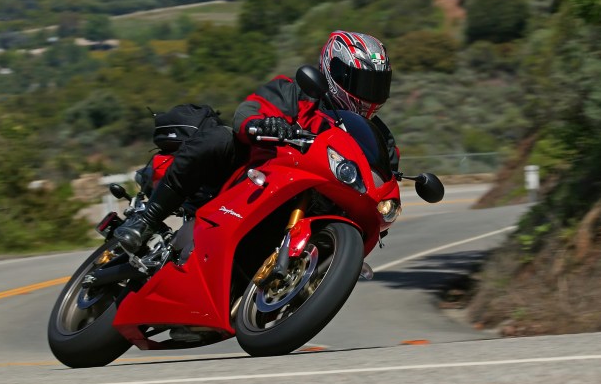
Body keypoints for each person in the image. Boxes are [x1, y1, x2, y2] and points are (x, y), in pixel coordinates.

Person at [113, 30, 399, 254]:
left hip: (317, 199)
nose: (369, 94)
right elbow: (249, 111)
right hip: (255, 174)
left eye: (376, 85)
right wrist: (263, 124)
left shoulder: (379, 139)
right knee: (220, 137)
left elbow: (386, 176)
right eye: (362, 82)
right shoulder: (296, 93)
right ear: (334, 71)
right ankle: (146, 221)